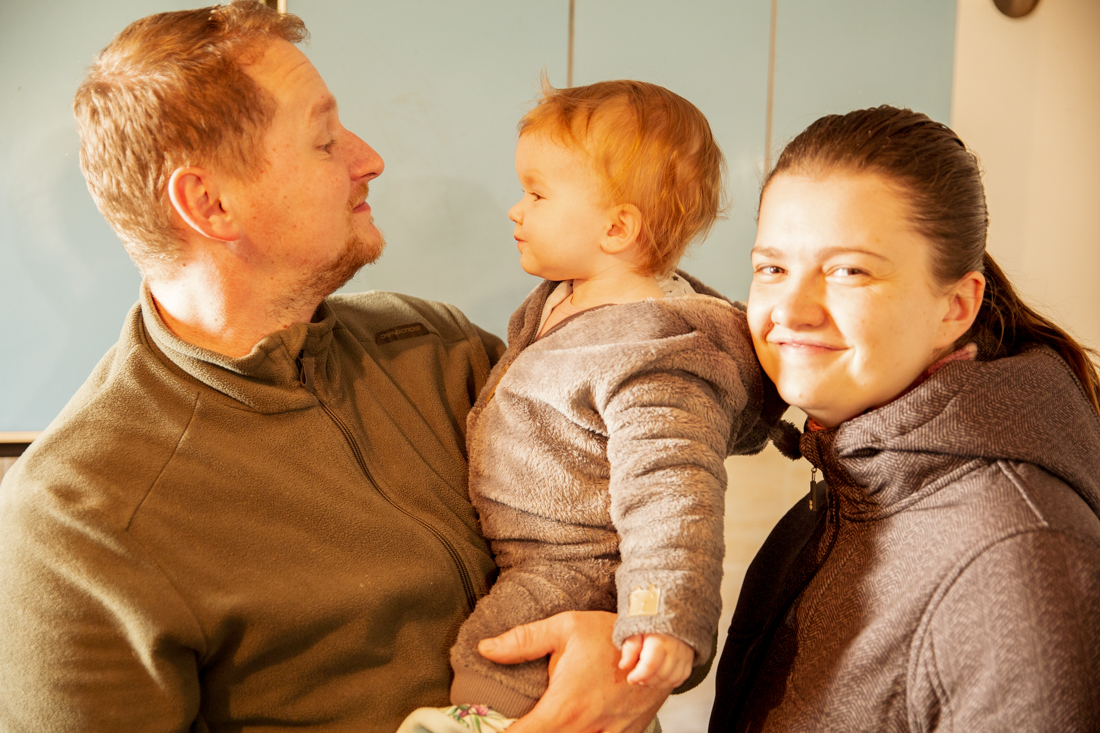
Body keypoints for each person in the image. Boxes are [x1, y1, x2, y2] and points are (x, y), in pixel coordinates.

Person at [0, 3, 671, 731]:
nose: (369, 157)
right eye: (324, 141)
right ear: (209, 203)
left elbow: (654, 500)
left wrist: (631, 648)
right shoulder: (76, 522)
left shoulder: (437, 347)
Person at [399, 81, 789, 733]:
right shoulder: (564, 298)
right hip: (528, 552)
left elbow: (673, 492)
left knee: (501, 662)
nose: (515, 210)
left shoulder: (653, 351)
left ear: (616, 228)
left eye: (537, 194)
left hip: (576, 569)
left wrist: (659, 615)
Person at [709, 106, 1100, 732]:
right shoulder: (851, 482)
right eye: (772, 269)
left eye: (848, 270)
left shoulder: (1016, 557)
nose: (792, 310)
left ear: (956, 307)